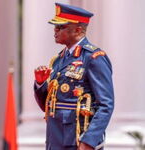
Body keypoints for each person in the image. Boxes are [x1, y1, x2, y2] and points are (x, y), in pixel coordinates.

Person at [34, 3, 114, 150]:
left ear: (78, 30)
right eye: (55, 27)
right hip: (55, 138)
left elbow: (105, 105)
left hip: (77, 139)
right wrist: (40, 84)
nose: (55, 31)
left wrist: (89, 141)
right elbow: (49, 105)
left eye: (61, 27)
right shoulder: (58, 59)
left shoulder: (93, 57)